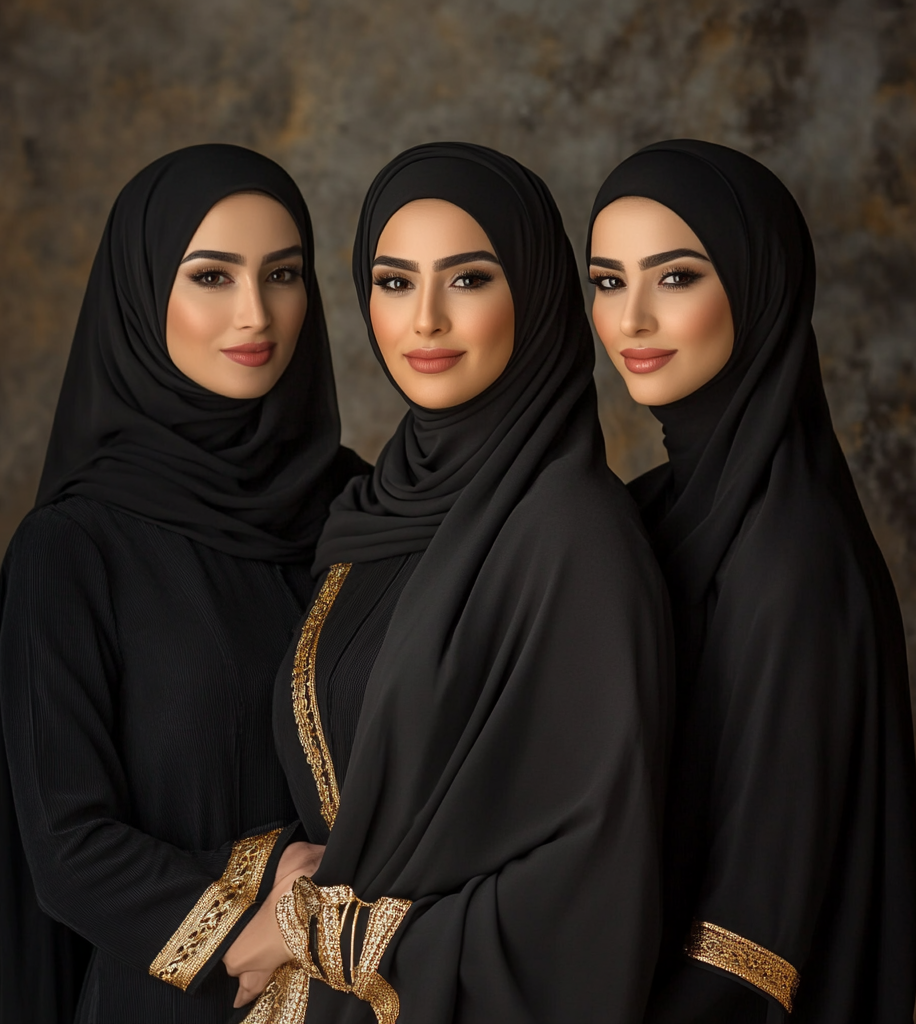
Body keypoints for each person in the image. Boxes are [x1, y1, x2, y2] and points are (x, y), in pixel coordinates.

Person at [223, 141, 673, 1024]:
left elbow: (589, 889)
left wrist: (316, 930)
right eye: (394, 283)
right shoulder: (367, 511)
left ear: (536, 295)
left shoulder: (573, 535)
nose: (424, 319)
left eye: (467, 281)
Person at [0, 144, 365, 1023]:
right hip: (177, 1003)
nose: (255, 313)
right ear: (146, 296)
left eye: (284, 273)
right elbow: (68, 842)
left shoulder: (369, 512)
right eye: (212, 276)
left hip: (374, 991)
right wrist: (255, 915)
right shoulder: (73, 548)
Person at [586, 139, 916, 1022]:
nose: (632, 321)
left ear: (759, 286)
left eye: (676, 277)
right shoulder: (649, 510)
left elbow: (753, 944)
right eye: (609, 281)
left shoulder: (792, 559)